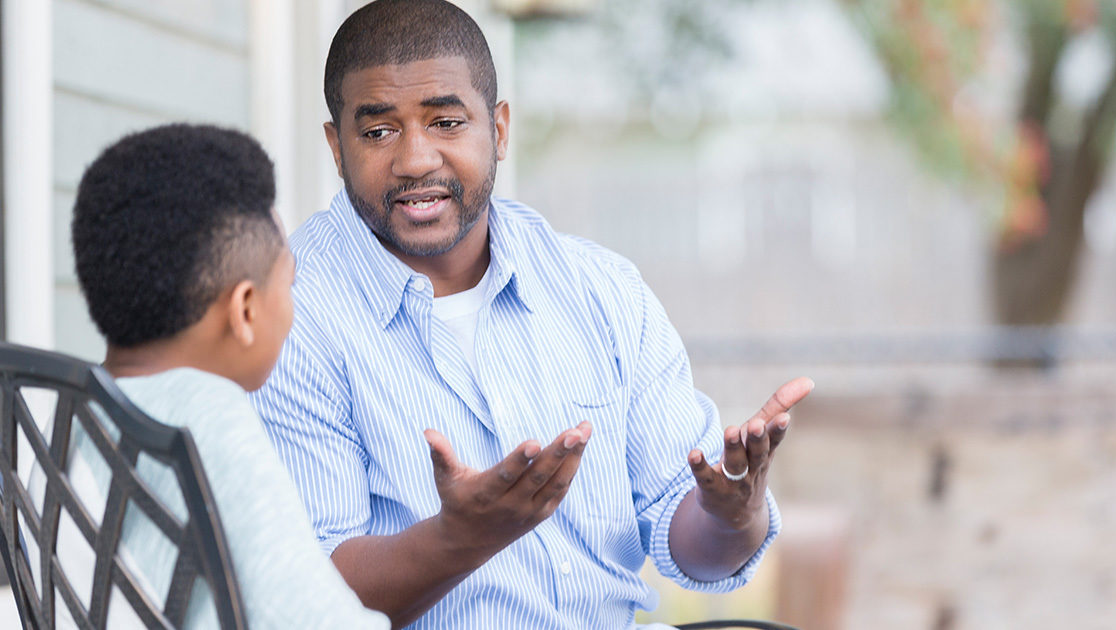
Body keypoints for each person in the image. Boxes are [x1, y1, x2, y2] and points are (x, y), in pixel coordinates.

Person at [249, 1, 815, 628]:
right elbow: (309, 597)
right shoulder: (290, 313)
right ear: (336, 145)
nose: (414, 159)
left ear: (499, 129)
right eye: (378, 131)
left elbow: (699, 553)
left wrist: (733, 515)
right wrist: (462, 539)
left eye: (445, 122)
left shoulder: (600, 290)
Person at [71, 123, 391, 629]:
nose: (293, 307)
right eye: (290, 282)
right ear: (244, 310)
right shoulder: (207, 422)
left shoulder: (73, 415)